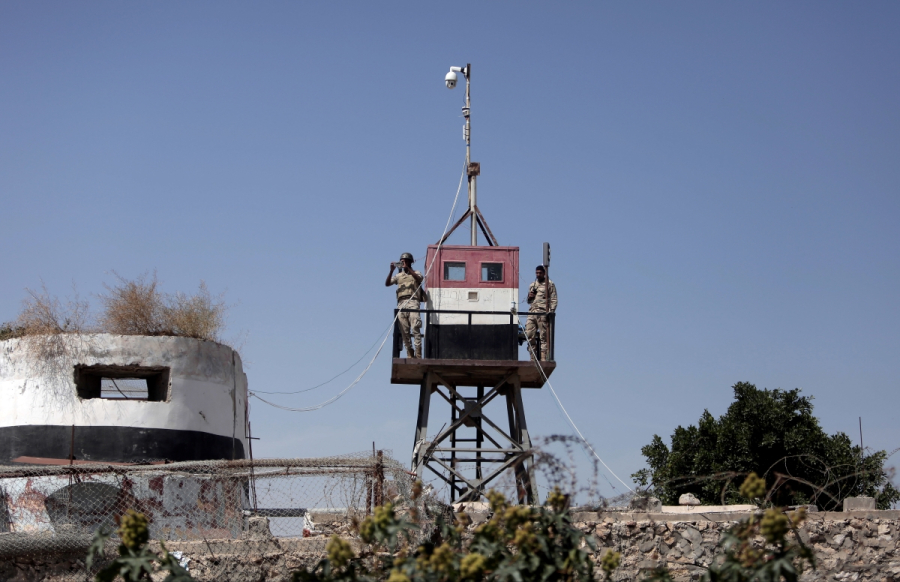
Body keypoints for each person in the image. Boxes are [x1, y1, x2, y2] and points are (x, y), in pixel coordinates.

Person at [386, 252, 423, 359]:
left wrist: (408, 269)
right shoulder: (399, 276)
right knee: (404, 331)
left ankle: (418, 354)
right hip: (402, 303)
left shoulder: (416, 272)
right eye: (402, 261)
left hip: (413, 302)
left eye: (406, 261)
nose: (404, 263)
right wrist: (391, 271)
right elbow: (387, 283)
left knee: (415, 327)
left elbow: (419, 279)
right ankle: (410, 353)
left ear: (411, 262)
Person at [525, 265, 557, 361]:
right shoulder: (533, 285)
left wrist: (550, 313)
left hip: (542, 313)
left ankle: (543, 359)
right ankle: (533, 358)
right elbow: (528, 301)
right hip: (532, 312)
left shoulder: (549, 284)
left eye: (540, 273)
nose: (538, 275)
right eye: (537, 273)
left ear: (544, 273)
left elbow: (554, 299)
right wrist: (530, 297)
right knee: (529, 334)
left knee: (544, 337)